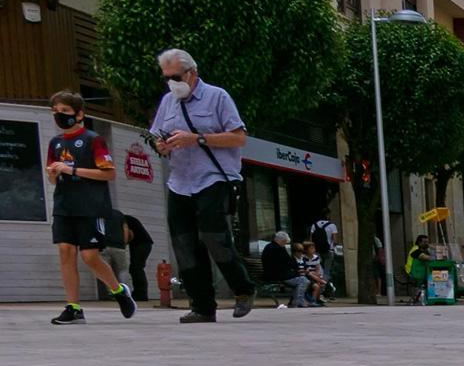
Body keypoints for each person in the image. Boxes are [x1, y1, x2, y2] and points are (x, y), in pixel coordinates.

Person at [150, 49, 254, 323]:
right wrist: (160, 145)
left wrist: (196, 138)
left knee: (213, 236)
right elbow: (155, 137)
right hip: (180, 181)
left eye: (175, 77)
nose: (171, 83)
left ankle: (242, 289)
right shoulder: (167, 102)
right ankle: (202, 305)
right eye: (166, 78)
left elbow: (238, 138)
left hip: (214, 177)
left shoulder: (217, 97)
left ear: (191, 73)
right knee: (183, 244)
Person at [44, 92, 134, 325]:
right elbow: (54, 179)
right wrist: (54, 175)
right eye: (55, 112)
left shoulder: (93, 139)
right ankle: (73, 308)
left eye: (64, 111)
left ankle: (118, 291)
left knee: (90, 256)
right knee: (65, 251)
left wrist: (72, 170)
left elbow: (109, 173)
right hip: (64, 205)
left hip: (91, 207)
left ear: (79, 113)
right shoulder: (55, 143)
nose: (59, 116)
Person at [260, 231, 301, 306]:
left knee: (301, 277)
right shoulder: (279, 249)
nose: (285, 244)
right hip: (278, 275)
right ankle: (297, 302)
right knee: (303, 280)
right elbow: (291, 263)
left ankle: (295, 301)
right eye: (284, 242)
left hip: (270, 274)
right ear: (281, 241)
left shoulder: (268, 246)